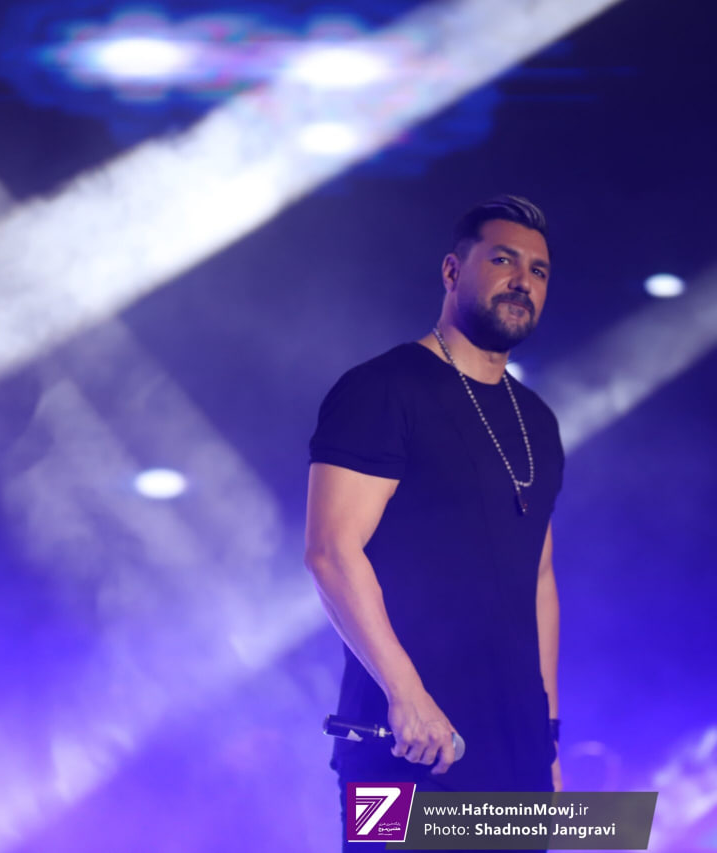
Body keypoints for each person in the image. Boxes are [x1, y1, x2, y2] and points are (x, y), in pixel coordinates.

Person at [304, 195, 563, 852]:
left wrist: (548, 739)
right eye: (502, 260)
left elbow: (537, 579)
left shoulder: (537, 421)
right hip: (402, 749)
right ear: (452, 270)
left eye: (537, 270)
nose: (522, 280)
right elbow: (331, 550)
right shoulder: (382, 389)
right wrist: (407, 693)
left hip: (515, 757)